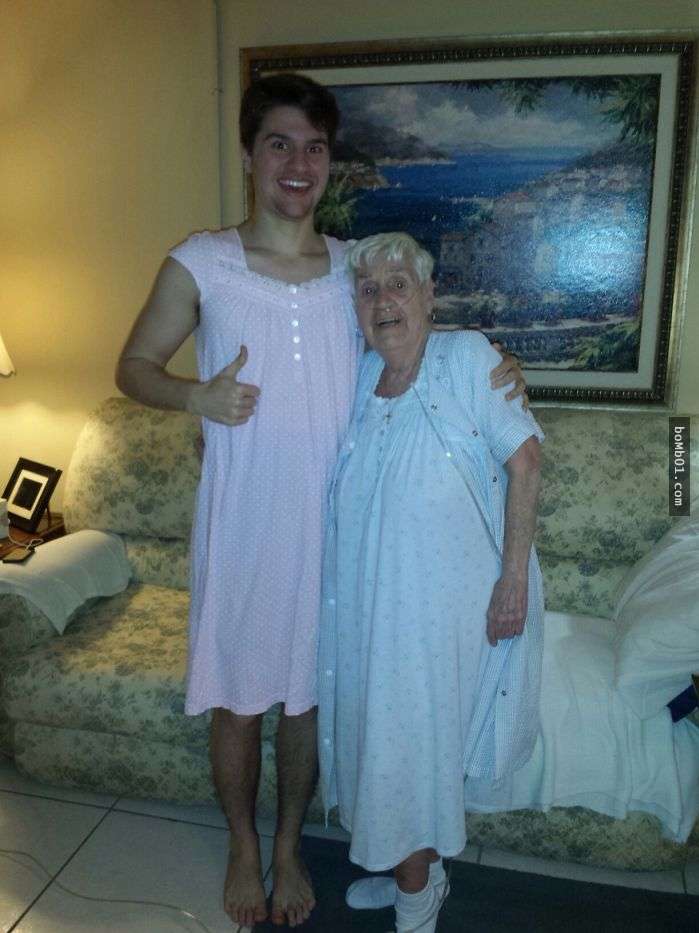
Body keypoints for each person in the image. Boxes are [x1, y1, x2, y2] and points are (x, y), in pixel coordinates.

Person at [115, 74, 525, 929]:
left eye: (314, 147)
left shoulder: (348, 269)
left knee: (305, 701)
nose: (297, 163)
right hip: (242, 530)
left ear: (329, 161)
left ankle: (290, 843)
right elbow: (133, 367)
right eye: (279, 143)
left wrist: (494, 364)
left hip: (339, 537)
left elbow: (404, 334)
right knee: (238, 702)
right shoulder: (202, 262)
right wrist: (196, 398)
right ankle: (243, 843)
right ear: (249, 154)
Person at [317, 232, 545, 933]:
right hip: (368, 606)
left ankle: (417, 902)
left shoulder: (465, 359)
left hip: (439, 612)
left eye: (399, 284)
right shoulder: (356, 377)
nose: (383, 300)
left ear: (428, 295)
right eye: (368, 289)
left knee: (405, 752)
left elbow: (526, 462)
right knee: (376, 742)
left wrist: (513, 580)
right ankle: (419, 873)